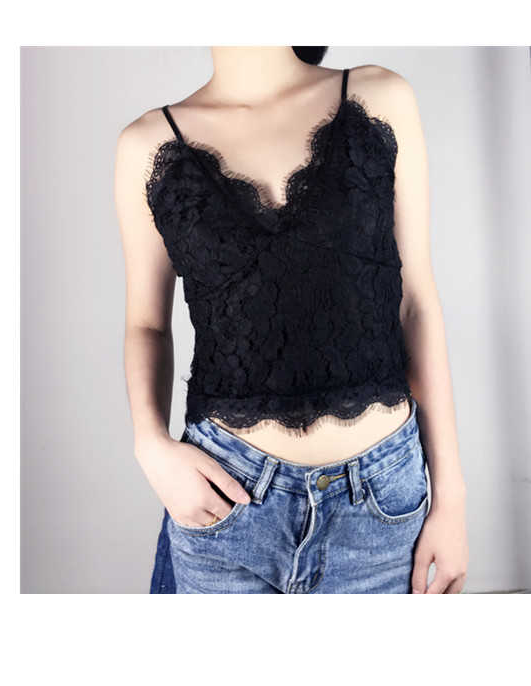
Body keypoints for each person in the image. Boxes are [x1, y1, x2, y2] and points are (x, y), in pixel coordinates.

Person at [113, 46, 469, 593]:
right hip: (225, 501)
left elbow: (415, 301)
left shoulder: (379, 96)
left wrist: (451, 498)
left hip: (379, 508)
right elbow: (147, 325)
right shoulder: (147, 144)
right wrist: (149, 444)